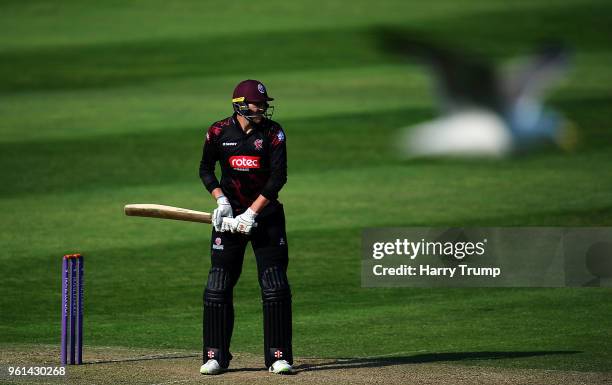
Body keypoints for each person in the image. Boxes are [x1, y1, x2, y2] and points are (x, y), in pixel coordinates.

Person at [198, 80, 293, 375]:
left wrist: (251, 214)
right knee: (218, 286)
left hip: (266, 219)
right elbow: (205, 169)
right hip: (228, 220)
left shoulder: (274, 132)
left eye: (264, 103)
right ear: (240, 104)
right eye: (257, 104)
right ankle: (215, 356)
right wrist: (221, 201)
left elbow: (278, 179)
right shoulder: (217, 131)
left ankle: (278, 356)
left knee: (274, 285)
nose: (262, 108)